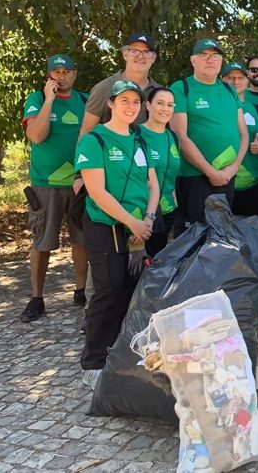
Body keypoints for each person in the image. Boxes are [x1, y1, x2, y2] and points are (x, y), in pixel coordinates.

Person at [75, 80, 159, 389]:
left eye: (135, 102)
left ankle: (121, 350)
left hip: (138, 227)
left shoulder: (139, 140)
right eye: (124, 100)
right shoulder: (94, 140)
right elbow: (96, 192)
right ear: (110, 104)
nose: (131, 106)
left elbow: (153, 184)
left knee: (130, 291)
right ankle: (93, 361)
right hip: (107, 227)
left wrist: (148, 218)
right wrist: (132, 223)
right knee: (108, 292)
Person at [19, 54, 89, 322]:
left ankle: (81, 291)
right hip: (46, 183)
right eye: (55, 72)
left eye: (66, 71)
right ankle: (37, 299)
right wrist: (49, 100)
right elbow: (37, 135)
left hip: (81, 181)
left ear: (74, 73)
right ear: (48, 76)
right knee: (42, 241)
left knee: (82, 240)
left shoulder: (84, 101)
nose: (61, 76)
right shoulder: (36, 99)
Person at [169, 38, 248, 235]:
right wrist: (210, 172)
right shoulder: (181, 88)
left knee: (221, 235)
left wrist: (233, 168)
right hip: (195, 178)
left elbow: (243, 134)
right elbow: (180, 135)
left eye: (215, 55)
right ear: (193, 60)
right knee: (195, 236)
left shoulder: (229, 90)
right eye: (204, 55)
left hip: (228, 176)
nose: (210, 60)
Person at [80, 33, 162, 136]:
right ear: (125, 54)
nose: (140, 56)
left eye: (146, 52)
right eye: (134, 51)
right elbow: (86, 133)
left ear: (153, 58)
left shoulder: (159, 92)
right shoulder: (104, 88)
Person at [222, 62, 258, 218]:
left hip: (253, 183)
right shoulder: (215, 108)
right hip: (222, 181)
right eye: (230, 78)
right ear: (222, 80)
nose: (236, 82)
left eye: (240, 78)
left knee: (252, 233)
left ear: (247, 81)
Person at [139, 86, 180, 256]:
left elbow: (172, 174)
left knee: (158, 265)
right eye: (160, 103)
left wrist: (175, 203)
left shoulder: (172, 137)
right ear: (148, 105)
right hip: (142, 213)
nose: (165, 109)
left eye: (170, 105)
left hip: (167, 212)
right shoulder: (135, 134)